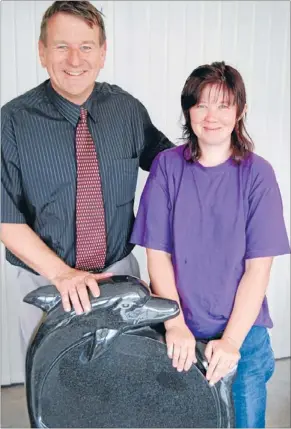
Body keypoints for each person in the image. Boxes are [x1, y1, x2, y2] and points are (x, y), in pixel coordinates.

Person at [1, 1, 173, 351]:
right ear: (42, 51)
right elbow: (6, 218)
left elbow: (173, 167)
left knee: (125, 382)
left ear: (103, 52)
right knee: (56, 395)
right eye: (62, 46)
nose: (75, 60)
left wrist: (228, 158)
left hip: (120, 275)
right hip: (46, 282)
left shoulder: (127, 110)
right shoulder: (11, 123)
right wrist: (62, 274)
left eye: (86, 47)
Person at [130, 61, 290, 428]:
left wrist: (231, 340)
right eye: (201, 104)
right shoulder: (167, 168)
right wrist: (174, 325)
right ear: (188, 110)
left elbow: (258, 270)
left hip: (243, 338)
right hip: (181, 334)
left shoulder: (258, 174)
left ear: (240, 111)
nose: (211, 115)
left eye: (223, 104)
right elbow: (158, 256)